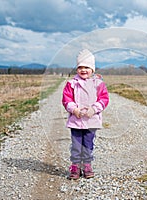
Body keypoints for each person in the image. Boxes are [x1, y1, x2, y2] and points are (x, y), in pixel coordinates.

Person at [62, 49, 109, 179]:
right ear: (77, 69)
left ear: (92, 69)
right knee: (76, 144)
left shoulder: (98, 83)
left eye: (87, 67)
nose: (83, 70)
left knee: (88, 143)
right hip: (76, 121)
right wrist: (74, 109)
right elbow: (66, 99)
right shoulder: (71, 84)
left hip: (91, 120)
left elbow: (104, 99)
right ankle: (75, 166)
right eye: (80, 67)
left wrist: (94, 109)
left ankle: (87, 165)